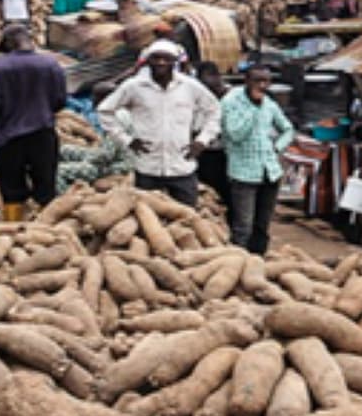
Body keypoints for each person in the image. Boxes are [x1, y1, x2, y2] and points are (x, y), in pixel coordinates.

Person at [97, 40, 218, 205]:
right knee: (147, 217)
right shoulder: (134, 87)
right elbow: (105, 110)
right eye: (156, 58)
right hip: (148, 167)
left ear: (174, 61)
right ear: (148, 61)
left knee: (186, 217)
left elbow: (214, 110)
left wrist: (202, 141)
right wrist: (127, 140)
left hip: (182, 165)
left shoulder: (189, 86)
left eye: (166, 58)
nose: (161, 62)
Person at [0, 23, 67, 218]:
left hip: (9, 136)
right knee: (46, 186)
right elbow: (60, 100)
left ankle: (13, 229)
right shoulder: (51, 64)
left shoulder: (0, 66)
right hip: (43, 132)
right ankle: (47, 230)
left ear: (10, 43)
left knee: (11, 188)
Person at [218, 65, 293, 255]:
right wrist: (253, 108)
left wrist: (277, 147)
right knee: (243, 225)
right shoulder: (231, 102)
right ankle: (238, 262)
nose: (262, 85)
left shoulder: (269, 103)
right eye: (257, 81)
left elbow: (288, 129)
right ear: (247, 81)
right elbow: (235, 134)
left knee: (262, 225)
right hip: (243, 173)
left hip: (270, 171)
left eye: (265, 81)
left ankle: (259, 261)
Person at [194, 60, 230, 207]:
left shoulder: (230, 97)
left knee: (224, 192)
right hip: (203, 151)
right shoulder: (196, 94)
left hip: (224, 152)